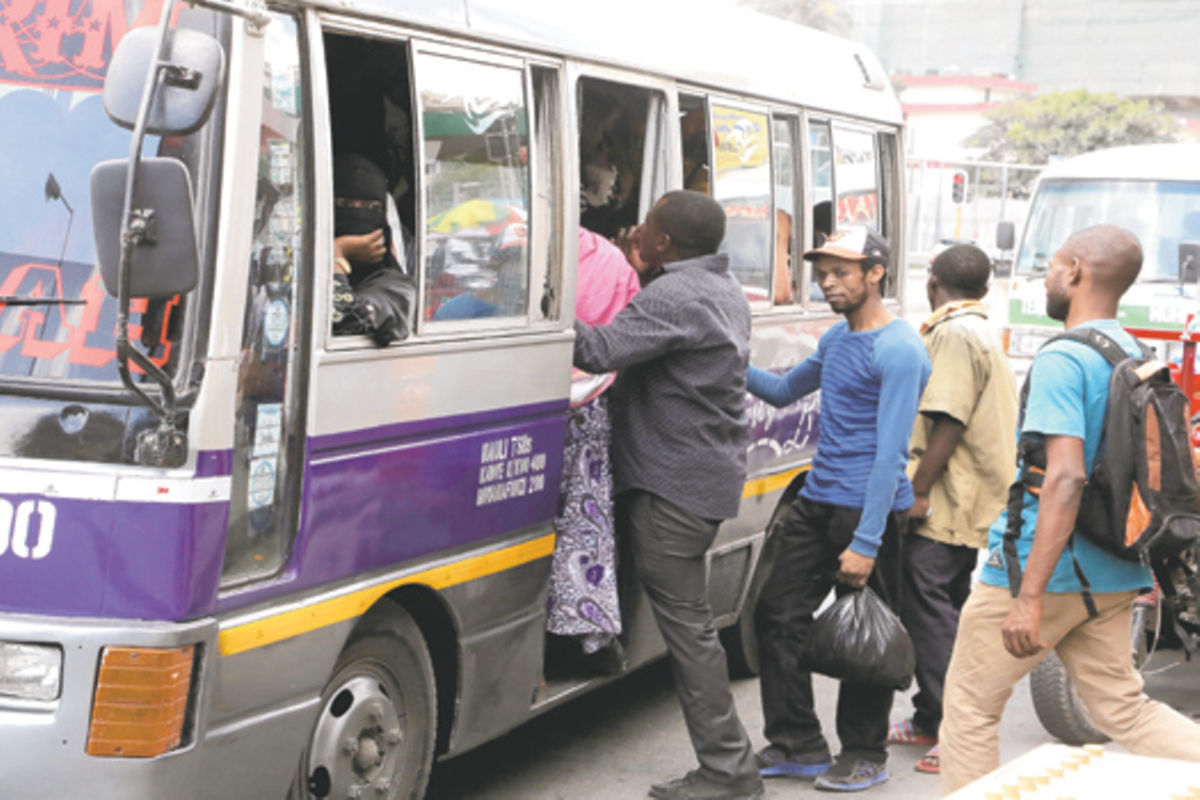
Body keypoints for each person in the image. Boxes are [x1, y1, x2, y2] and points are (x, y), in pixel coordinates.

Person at [939, 225, 1200, 794]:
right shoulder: (1133, 352)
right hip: (1115, 568)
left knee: (969, 708)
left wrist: (1028, 598)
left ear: (1076, 271)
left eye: (1052, 267)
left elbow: (1064, 477)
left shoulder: (1063, 357)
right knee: (1125, 710)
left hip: (1042, 569)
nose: (1046, 279)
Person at [573, 190, 763, 800]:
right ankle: (729, 767)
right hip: (700, 478)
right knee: (692, 626)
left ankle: (728, 771)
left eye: (648, 224)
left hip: (671, 487)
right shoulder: (718, 286)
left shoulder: (675, 295)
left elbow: (598, 350)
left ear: (663, 240)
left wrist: (534, 305)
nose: (636, 230)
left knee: (690, 633)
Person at [747, 225, 930, 792]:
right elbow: (782, 392)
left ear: (875, 273)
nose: (827, 282)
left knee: (867, 636)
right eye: (823, 273)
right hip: (817, 501)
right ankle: (797, 741)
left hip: (870, 512)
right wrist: (722, 358)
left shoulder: (899, 349)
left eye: (841, 272)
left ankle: (864, 752)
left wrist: (867, 542)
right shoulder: (836, 339)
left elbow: (891, 454)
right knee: (776, 614)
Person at [885, 244, 1017, 775]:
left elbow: (949, 419)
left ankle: (952, 729)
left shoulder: (956, 333)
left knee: (929, 611)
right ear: (984, 289)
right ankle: (929, 717)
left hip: (947, 497)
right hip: (967, 496)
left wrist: (918, 491)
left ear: (931, 280)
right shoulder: (976, 328)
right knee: (944, 608)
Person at [545, 227, 641, 657]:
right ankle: (584, 632)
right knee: (584, 519)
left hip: (524, 399)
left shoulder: (517, 245)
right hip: (590, 404)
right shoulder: (612, 261)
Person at [331, 153, 415, 345]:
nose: (357, 213)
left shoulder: (396, 286)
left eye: (371, 207)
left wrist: (337, 252)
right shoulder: (299, 268)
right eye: (343, 204)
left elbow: (344, 319)